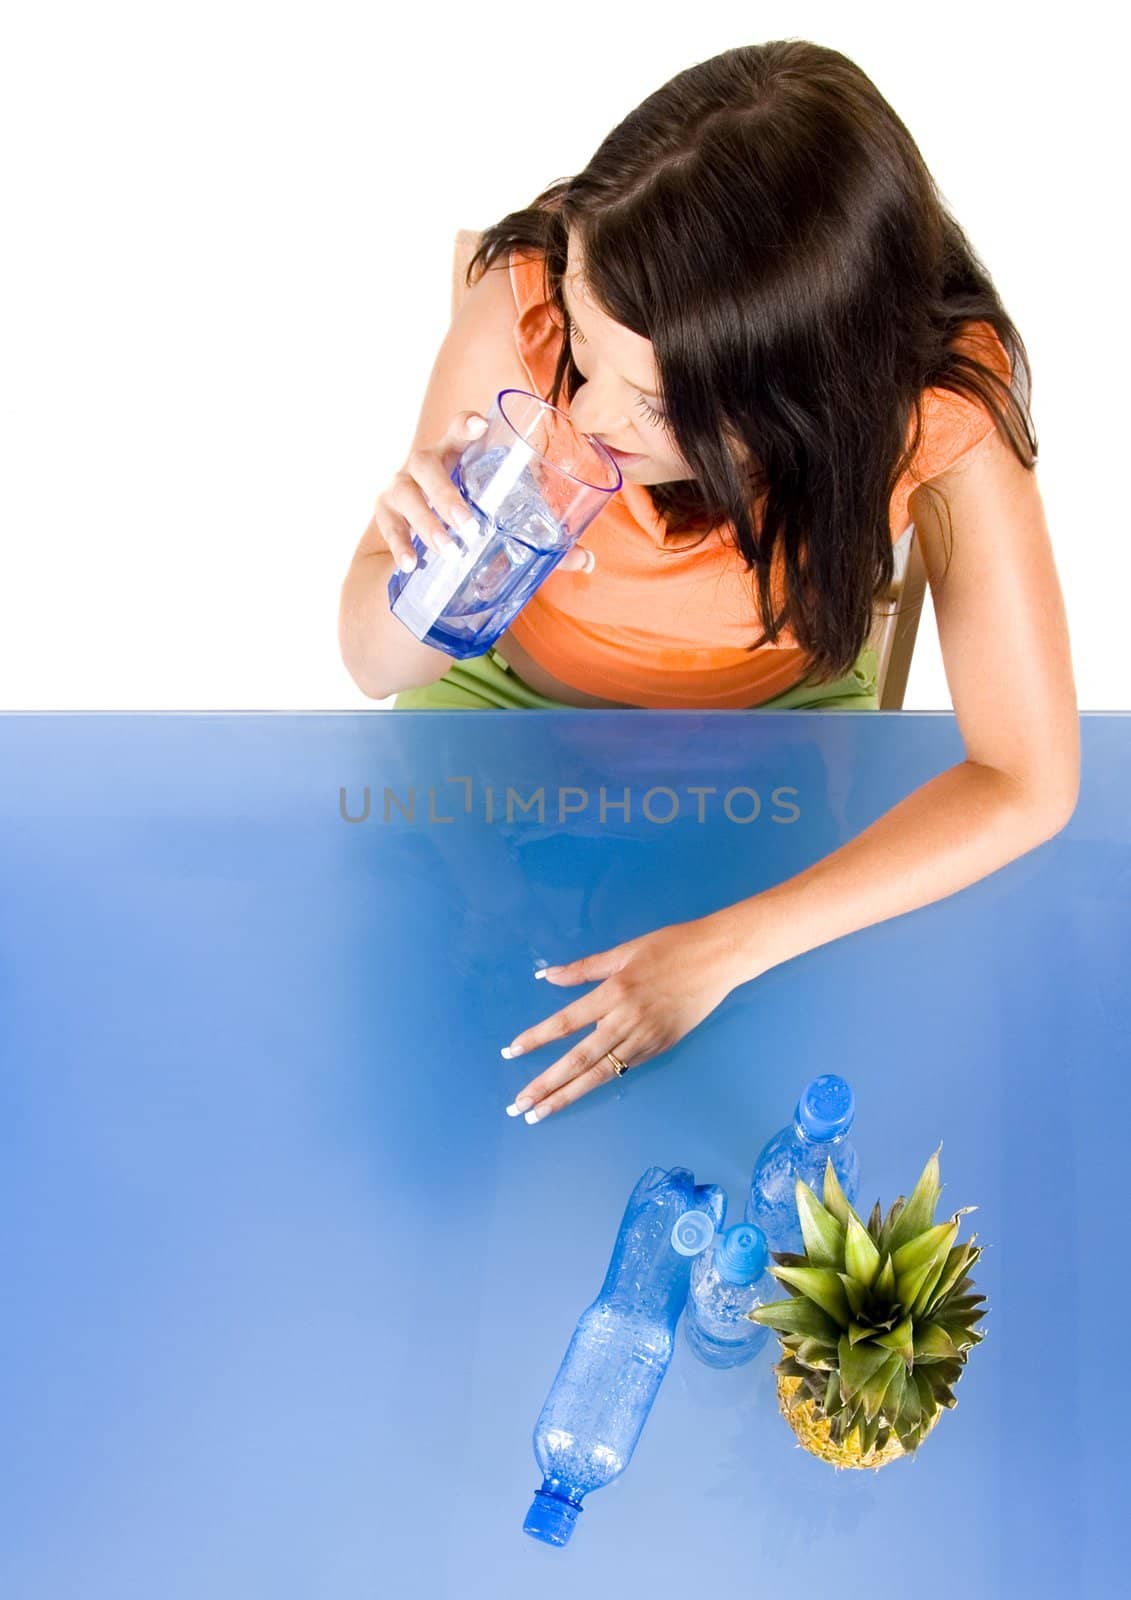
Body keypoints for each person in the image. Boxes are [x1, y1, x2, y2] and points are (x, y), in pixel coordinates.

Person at [338, 40, 1078, 1119]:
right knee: (426, 1070)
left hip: (776, 723)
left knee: (754, 1085)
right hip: (502, 695)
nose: (586, 420)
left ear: (799, 407)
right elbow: (368, 663)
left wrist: (729, 947)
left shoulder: (937, 407)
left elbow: (1028, 778)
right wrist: (426, 579)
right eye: (589, 359)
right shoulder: (536, 299)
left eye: (649, 404)